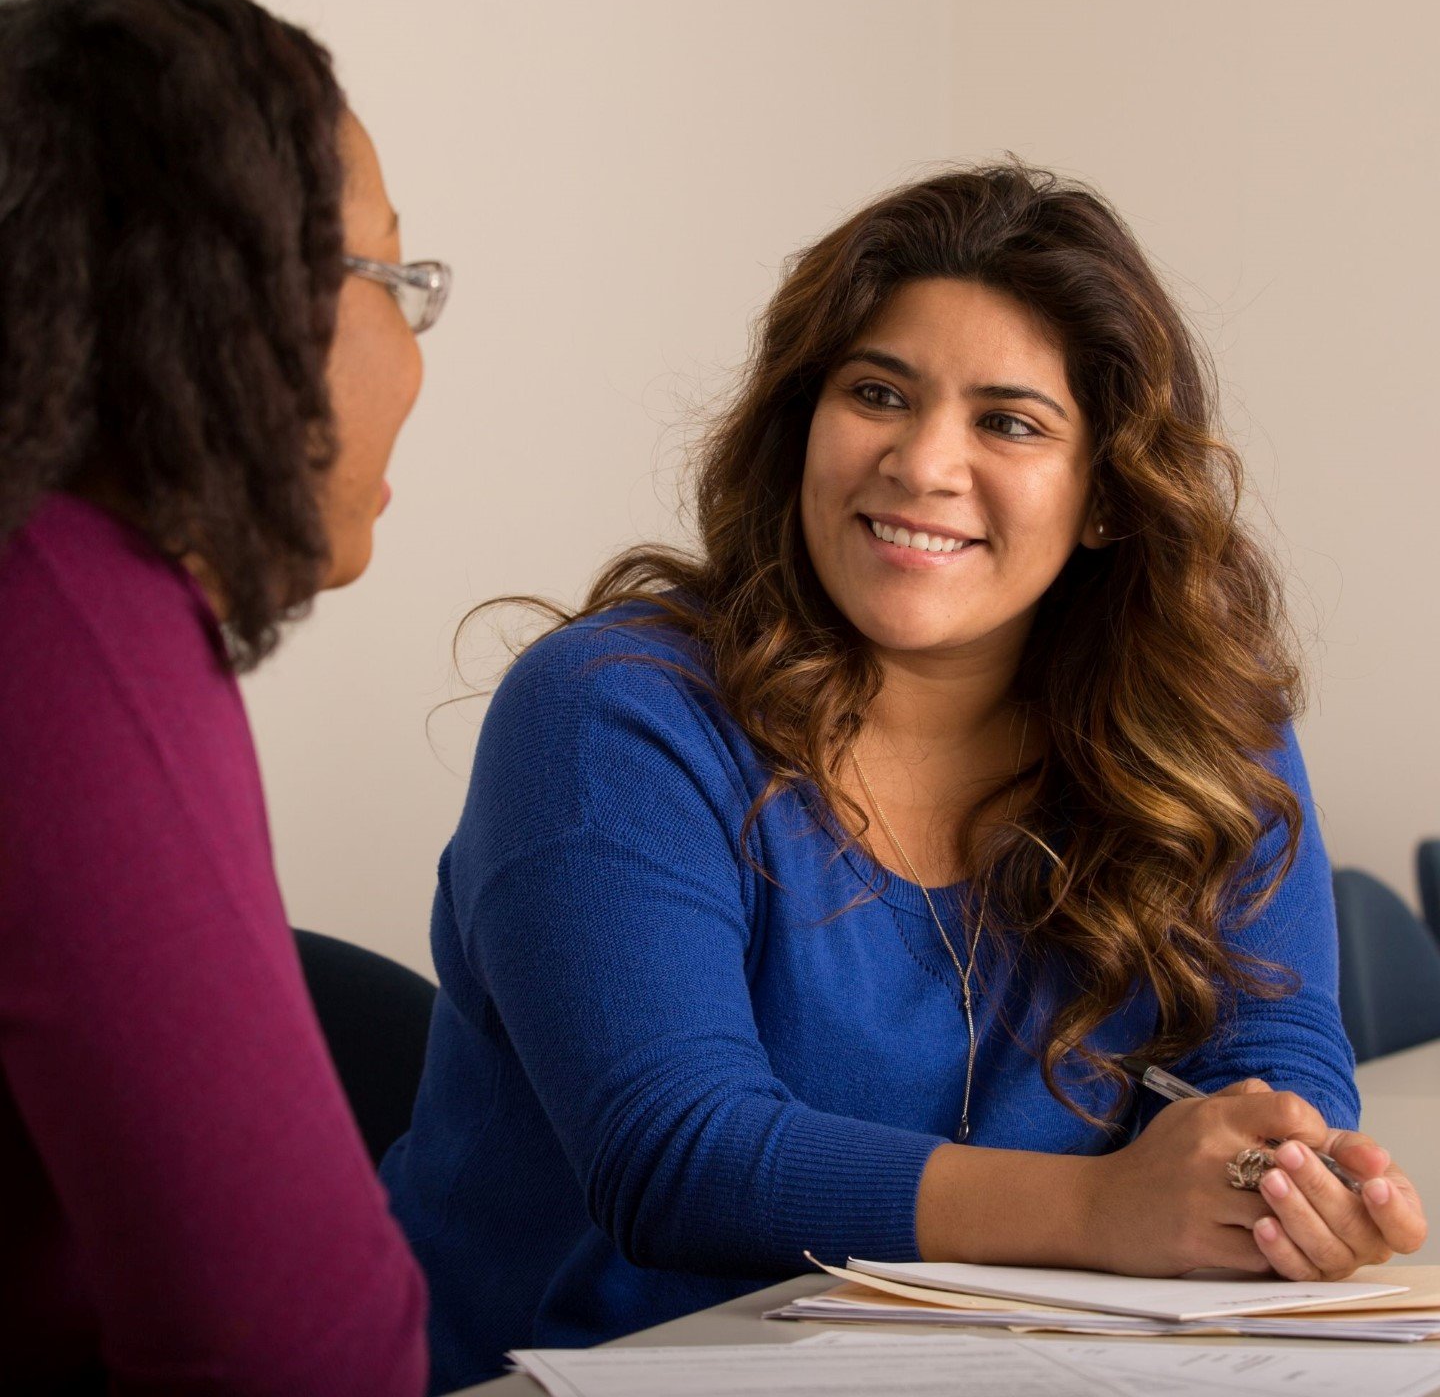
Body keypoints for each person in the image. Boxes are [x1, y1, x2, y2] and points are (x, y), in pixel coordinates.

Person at [381, 163, 1426, 1390]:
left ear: (1105, 493)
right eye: (877, 392)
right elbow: (678, 1156)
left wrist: (1283, 1178)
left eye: (1010, 420)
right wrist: (1106, 1209)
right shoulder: (610, 713)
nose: (924, 464)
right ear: (801, 424)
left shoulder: (1200, 715)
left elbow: (1272, 1029)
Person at [0, 0, 450, 1392]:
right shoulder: (65, 612)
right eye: (397, 281)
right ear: (235, 298)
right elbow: (302, 1351)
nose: (418, 362)